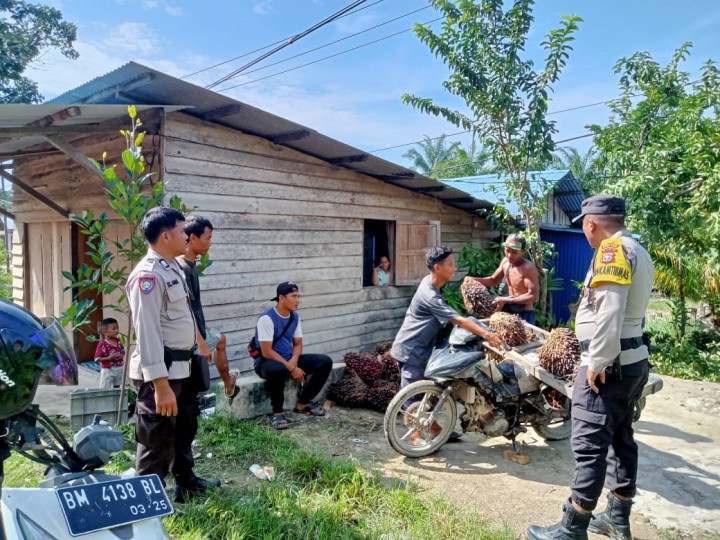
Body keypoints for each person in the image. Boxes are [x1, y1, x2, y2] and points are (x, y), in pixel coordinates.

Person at [527, 195, 654, 540]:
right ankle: (617, 518)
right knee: (620, 438)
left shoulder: (612, 251)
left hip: (608, 365)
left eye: (583, 224)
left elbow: (610, 309)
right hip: (631, 360)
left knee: (589, 445)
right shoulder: (637, 248)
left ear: (590, 223)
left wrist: (596, 361)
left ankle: (572, 528)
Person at [126, 206, 220, 504]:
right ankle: (145, 505)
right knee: (157, 439)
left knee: (184, 428)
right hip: (161, 373)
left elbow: (185, 314)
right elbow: (148, 331)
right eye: (182, 231)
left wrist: (199, 343)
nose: (186, 235)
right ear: (166, 235)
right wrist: (161, 386)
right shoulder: (148, 275)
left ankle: (186, 483)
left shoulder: (173, 267)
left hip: (183, 367)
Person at [390, 246, 505, 442]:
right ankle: (414, 440)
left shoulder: (431, 285)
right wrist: (486, 334)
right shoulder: (430, 295)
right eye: (451, 265)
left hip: (421, 349)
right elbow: (457, 320)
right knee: (412, 397)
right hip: (411, 350)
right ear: (437, 267)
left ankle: (435, 430)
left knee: (428, 393)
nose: (454, 268)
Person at [254, 281, 332, 430]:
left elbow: (297, 344)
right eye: (294, 296)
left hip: (290, 359)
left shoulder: (294, 317)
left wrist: (294, 362)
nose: (298, 300)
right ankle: (277, 413)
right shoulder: (267, 318)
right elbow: (266, 351)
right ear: (281, 298)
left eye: (299, 296)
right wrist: (290, 367)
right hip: (267, 362)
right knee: (276, 369)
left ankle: (303, 403)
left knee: (325, 362)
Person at [177, 215, 237, 397]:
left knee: (220, 340)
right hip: (190, 339)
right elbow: (185, 309)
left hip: (196, 331)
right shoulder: (183, 268)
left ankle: (228, 384)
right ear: (193, 238)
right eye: (208, 238)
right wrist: (201, 342)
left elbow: (193, 305)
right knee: (192, 385)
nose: (210, 243)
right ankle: (228, 385)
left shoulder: (190, 264)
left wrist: (204, 326)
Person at [469, 233, 539, 324]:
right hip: (508, 311)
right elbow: (493, 280)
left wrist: (506, 300)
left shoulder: (528, 268)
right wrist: (473, 280)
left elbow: (533, 296)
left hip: (524, 314)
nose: (509, 255)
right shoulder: (505, 262)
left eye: (514, 252)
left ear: (523, 251)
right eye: (507, 250)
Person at [95, 317, 125, 389]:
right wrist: (109, 358)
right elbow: (97, 359)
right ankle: (105, 399)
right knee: (105, 387)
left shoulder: (118, 341)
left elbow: (123, 351)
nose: (116, 330)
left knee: (117, 387)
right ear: (104, 331)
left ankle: (116, 399)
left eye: (117, 328)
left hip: (119, 368)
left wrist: (122, 355)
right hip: (108, 369)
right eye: (114, 329)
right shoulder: (102, 344)